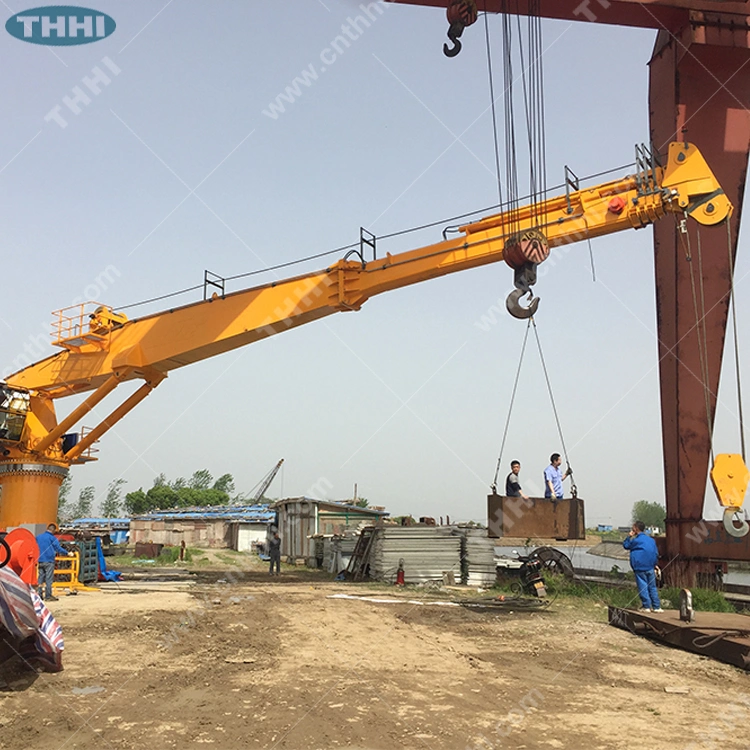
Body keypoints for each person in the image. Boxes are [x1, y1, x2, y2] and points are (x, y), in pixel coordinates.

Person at [623, 521, 663, 612]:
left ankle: (646, 606)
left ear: (636, 529)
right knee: (652, 587)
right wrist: (655, 564)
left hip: (639, 567)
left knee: (643, 586)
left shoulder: (636, 541)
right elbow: (656, 553)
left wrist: (629, 536)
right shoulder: (651, 540)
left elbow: (626, 545)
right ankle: (657, 607)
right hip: (650, 566)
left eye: (633, 527)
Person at [35, 523, 72, 601]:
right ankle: (48, 596)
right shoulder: (52, 538)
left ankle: (39, 595)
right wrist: (67, 553)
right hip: (49, 561)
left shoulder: (38, 537)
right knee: (49, 579)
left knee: (40, 578)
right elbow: (58, 548)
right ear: (54, 530)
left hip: (40, 560)